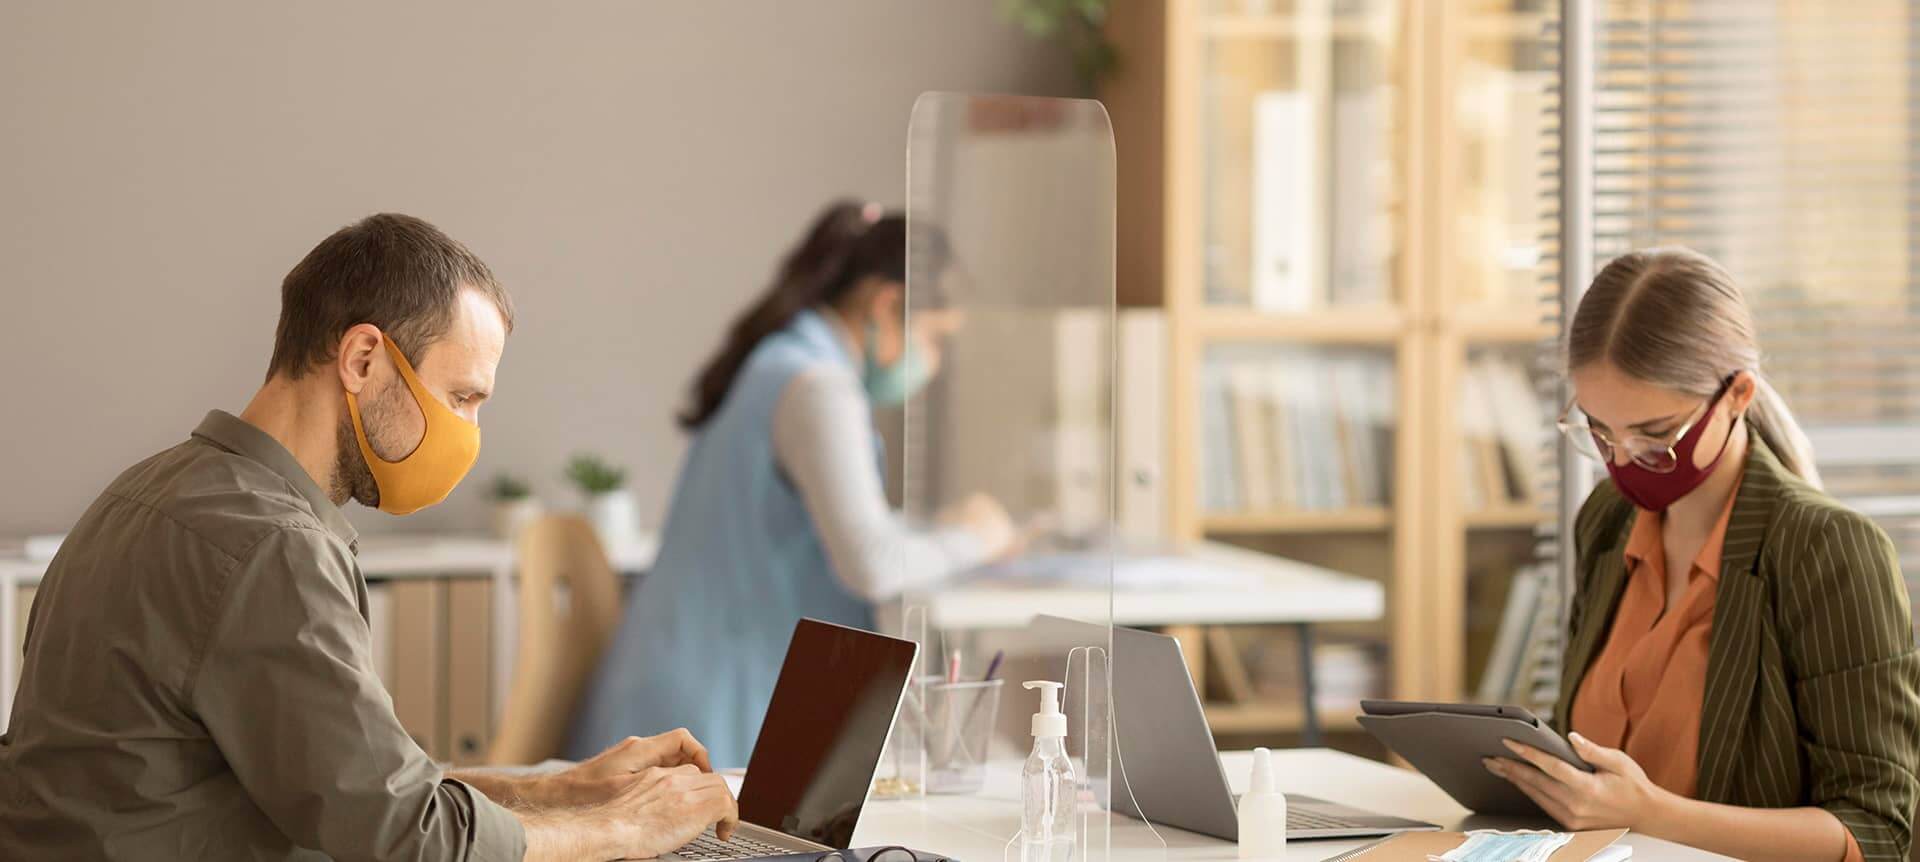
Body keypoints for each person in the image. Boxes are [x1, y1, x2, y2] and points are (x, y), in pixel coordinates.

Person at [0, 214, 739, 861]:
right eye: (461, 397)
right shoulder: (269, 545)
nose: (468, 433)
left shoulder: (151, 490)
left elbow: (357, 787)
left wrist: (567, 794)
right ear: (362, 360)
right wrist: (623, 830)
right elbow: (408, 837)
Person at [1486, 248, 1919, 861]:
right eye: (1600, 430)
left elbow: (1877, 830)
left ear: (1738, 394)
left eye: (1657, 435)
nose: (1625, 458)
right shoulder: (1608, 521)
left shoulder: (1828, 550)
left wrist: (1650, 813)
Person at [566, 200, 1017, 768]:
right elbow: (870, 563)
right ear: (888, 304)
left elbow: (817, 526)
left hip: (683, 683)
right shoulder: (816, 387)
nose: (934, 359)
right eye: (935, 337)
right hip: (709, 711)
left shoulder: (784, 359)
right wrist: (979, 537)